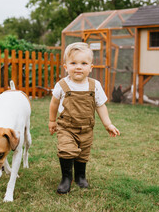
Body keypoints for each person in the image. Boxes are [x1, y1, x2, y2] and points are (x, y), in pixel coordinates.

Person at [49, 42, 120, 194]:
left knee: (83, 153)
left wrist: (108, 124)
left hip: (86, 128)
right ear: (66, 67)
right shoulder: (62, 85)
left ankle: (81, 176)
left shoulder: (95, 85)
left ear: (90, 67)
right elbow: (54, 103)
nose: (78, 67)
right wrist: (51, 121)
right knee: (66, 150)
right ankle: (66, 178)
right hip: (66, 127)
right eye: (73, 63)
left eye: (83, 63)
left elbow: (101, 106)